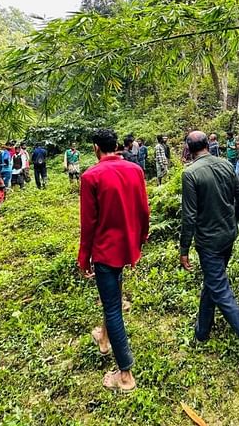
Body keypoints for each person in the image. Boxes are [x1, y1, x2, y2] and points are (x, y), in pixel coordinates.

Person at [180, 131, 239, 378]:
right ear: (207, 145)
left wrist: (184, 249)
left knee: (220, 290)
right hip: (228, 236)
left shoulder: (190, 173)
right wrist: (232, 223)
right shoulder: (224, 164)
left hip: (209, 242)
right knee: (213, 282)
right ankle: (202, 331)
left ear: (188, 149)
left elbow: (189, 216)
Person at [78, 128, 149, 393]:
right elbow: (144, 208)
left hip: (106, 250)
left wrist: (84, 257)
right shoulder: (135, 170)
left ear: (96, 147)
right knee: (113, 298)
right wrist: (141, 237)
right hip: (127, 246)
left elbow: (89, 222)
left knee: (112, 308)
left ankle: (126, 375)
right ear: (116, 145)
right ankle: (104, 340)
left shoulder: (91, 176)